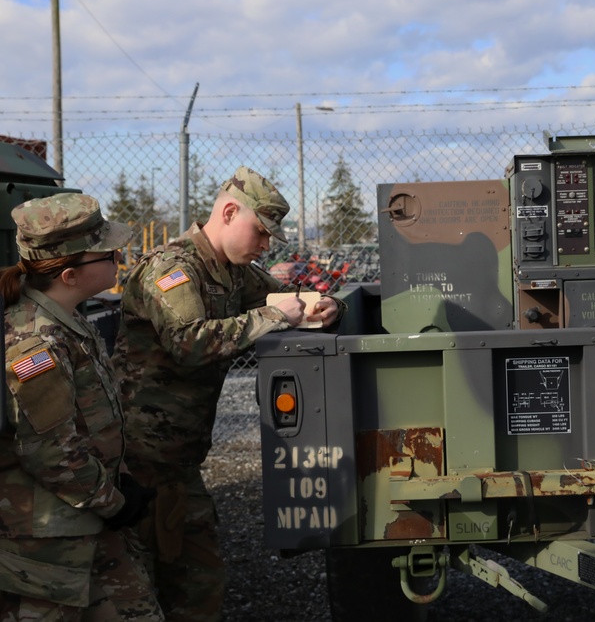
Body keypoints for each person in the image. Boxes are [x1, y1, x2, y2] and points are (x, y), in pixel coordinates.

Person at [114, 166, 343, 621]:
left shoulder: (233, 271)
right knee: (140, 585)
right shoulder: (174, 268)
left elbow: (291, 297)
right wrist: (275, 319)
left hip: (178, 457)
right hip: (140, 458)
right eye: (260, 232)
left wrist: (332, 305)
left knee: (196, 580)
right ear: (230, 211)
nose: (264, 245)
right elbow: (189, 342)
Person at [0, 193, 164, 620]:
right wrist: (114, 502)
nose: (118, 258)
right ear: (70, 274)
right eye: (109, 253)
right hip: (48, 541)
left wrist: (117, 483)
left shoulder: (66, 320)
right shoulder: (37, 342)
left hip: (83, 516)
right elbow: (51, 453)